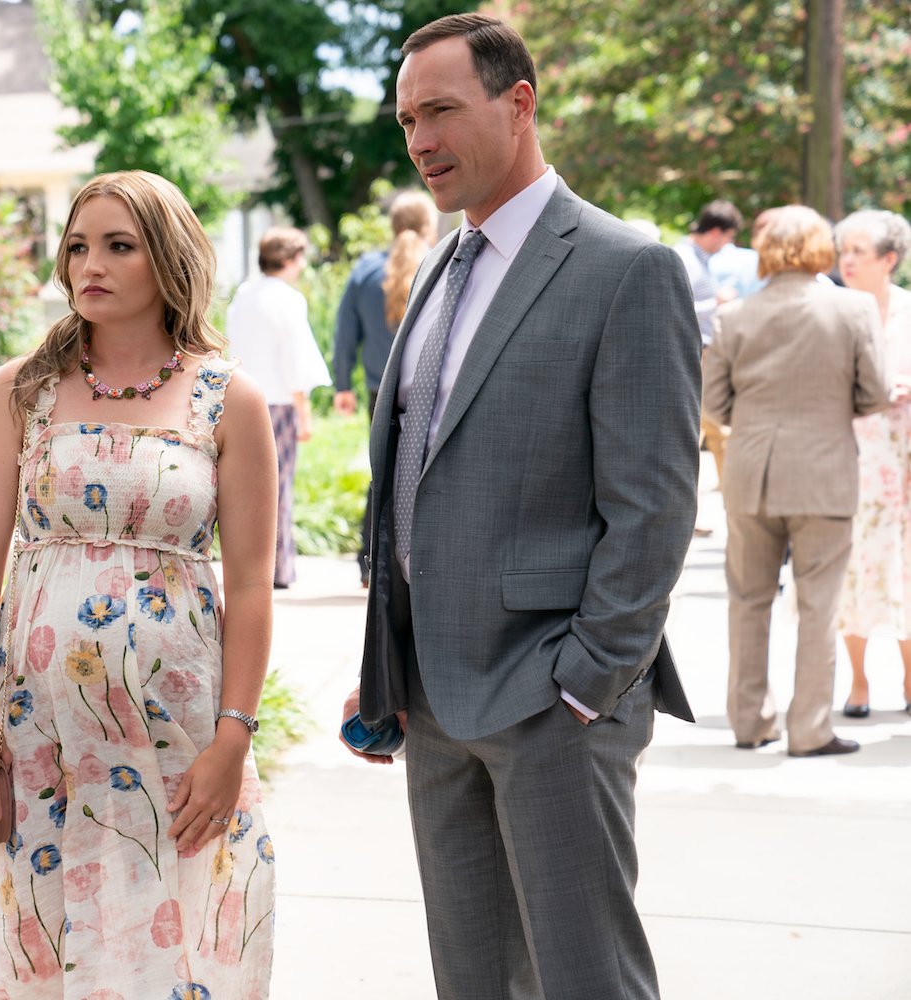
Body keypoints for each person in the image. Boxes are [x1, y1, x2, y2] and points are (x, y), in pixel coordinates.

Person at [340, 14, 699, 999]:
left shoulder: (627, 269)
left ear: (519, 101)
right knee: (474, 982)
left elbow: (655, 507)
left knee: (587, 981)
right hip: (431, 701)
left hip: (554, 703)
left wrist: (584, 686)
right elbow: (414, 475)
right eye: (407, 119)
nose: (419, 141)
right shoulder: (438, 273)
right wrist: (387, 658)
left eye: (441, 111)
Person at [0, 171, 279, 997]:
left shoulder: (230, 400)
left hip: (177, 734)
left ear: (168, 260)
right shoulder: (21, 393)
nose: (92, 263)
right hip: (34, 727)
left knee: (172, 937)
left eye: (120, 245)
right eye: (79, 245)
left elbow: (253, 587)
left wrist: (234, 739)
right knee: (38, 937)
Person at [704, 205, 893, 757]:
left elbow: (713, 405)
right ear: (822, 250)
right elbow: (876, 391)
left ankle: (749, 721)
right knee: (820, 607)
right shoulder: (854, 309)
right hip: (824, 472)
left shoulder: (734, 316)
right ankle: (809, 728)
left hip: (751, 474)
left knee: (748, 601)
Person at [332, 190, 439, 586]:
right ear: (427, 225)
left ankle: (369, 563)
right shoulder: (441, 262)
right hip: (433, 392)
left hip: (380, 392)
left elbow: (344, 332)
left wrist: (342, 384)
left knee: (383, 472)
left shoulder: (365, 270)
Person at [834, 209, 911, 718]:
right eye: (843, 251)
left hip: (904, 464)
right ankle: (858, 682)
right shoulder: (833, 311)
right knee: (853, 572)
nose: (847, 261)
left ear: (890, 259)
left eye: (859, 252)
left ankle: (909, 678)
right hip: (850, 462)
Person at [225, 226, 330, 589]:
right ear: (288, 258)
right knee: (279, 485)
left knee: (244, 490)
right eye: (300, 257)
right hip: (280, 402)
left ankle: (249, 566)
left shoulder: (244, 294)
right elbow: (295, 360)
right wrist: (304, 411)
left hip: (239, 400)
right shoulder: (288, 298)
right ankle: (280, 567)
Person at [675, 199, 744, 484]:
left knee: (713, 430)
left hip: (706, 353)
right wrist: (716, 302)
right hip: (695, 353)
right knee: (700, 431)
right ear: (716, 232)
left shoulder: (699, 259)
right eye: (728, 237)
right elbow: (677, 309)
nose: (727, 244)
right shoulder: (685, 259)